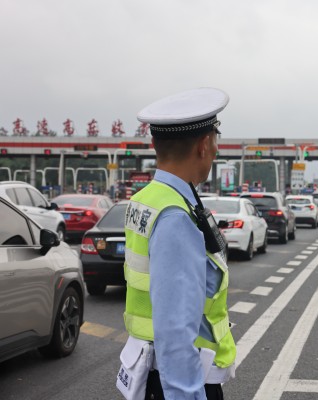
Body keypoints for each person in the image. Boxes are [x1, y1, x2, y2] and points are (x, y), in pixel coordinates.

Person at [119, 88, 235, 400]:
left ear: (155, 144)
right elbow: (175, 331)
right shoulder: (175, 216)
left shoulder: (147, 199)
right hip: (179, 382)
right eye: (215, 141)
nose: (215, 151)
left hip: (153, 374)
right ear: (203, 145)